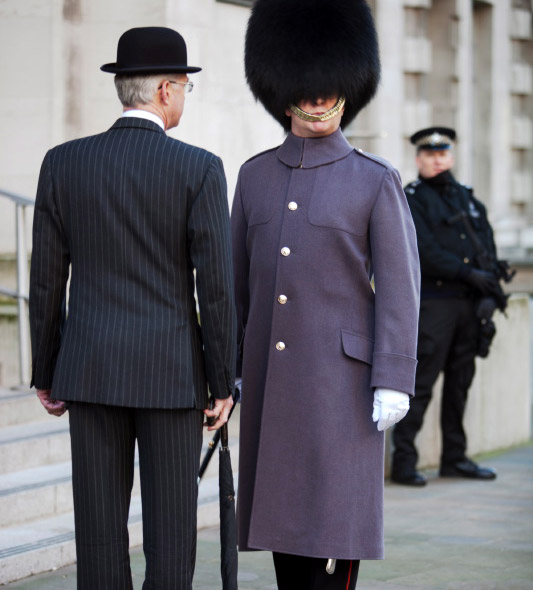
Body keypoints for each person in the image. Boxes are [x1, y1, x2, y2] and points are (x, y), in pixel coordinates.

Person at [29, 26, 236, 589]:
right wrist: (223, 381)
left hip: (90, 370)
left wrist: (45, 371)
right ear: (167, 89)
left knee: (98, 536)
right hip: (171, 376)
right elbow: (214, 288)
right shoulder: (199, 168)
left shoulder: (63, 162)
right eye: (185, 87)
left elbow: (46, 281)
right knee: (172, 540)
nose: (184, 98)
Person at [231, 1, 420, 588]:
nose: (317, 100)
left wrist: (394, 375)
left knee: (331, 539)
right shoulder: (255, 176)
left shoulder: (375, 179)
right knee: (287, 539)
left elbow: (399, 287)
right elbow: (237, 284)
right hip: (273, 386)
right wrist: (230, 366)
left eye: (327, 89)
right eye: (305, 89)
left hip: (341, 390)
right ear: (281, 91)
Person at [391, 126, 504, 487]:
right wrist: (468, 274)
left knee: (460, 385)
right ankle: (405, 462)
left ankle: (455, 459)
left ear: (451, 157)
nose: (438, 160)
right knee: (421, 383)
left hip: (470, 307)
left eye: (443, 154)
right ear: (418, 159)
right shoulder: (413, 197)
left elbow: (486, 242)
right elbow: (422, 249)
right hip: (436, 305)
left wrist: (489, 288)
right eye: (430, 154)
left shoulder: (468, 198)